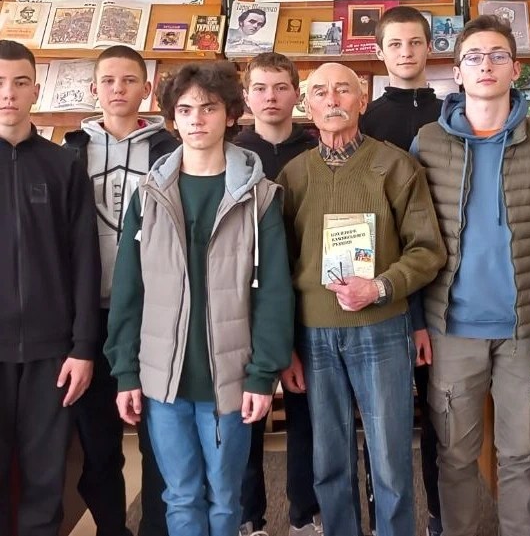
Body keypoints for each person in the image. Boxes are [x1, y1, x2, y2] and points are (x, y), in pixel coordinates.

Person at [104, 62, 294, 536]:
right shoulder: (148, 195)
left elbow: (274, 293)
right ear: (172, 118)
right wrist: (125, 371)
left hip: (230, 378)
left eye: (208, 108)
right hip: (163, 378)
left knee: (226, 498)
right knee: (180, 496)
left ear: (230, 114)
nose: (196, 120)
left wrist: (263, 375)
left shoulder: (260, 197)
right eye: (185, 110)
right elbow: (129, 290)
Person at [412, 15, 530, 536]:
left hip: (525, 329)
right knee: (454, 456)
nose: (486, 65)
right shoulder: (427, 142)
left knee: (521, 453)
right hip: (450, 328)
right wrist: (416, 321)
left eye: (497, 56)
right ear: (457, 72)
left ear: (515, 68)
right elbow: (410, 240)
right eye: (474, 57)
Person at [277, 62, 446, 536]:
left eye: (343, 90)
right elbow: (278, 267)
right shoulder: (293, 176)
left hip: (381, 328)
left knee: (390, 458)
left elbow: (427, 250)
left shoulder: (395, 166)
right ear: (307, 105)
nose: (332, 100)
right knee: (329, 460)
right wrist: (285, 345)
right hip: (313, 335)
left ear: (362, 99)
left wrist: (380, 286)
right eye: (320, 92)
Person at [64, 45, 178, 536]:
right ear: (94, 89)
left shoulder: (170, 152)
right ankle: (113, 528)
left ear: (147, 89)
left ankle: (156, 528)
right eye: (108, 81)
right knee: (99, 446)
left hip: (154, 316)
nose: (118, 89)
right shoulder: (69, 153)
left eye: (129, 80)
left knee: (159, 442)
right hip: (87, 320)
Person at [0, 39, 100, 536]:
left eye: (20, 83)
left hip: (52, 352)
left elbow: (85, 262)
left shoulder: (64, 166)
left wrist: (83, 348)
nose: (8, 94)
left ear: (36, 91)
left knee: (45, 477)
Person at [359, 5, 443, 536]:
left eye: (415, 43)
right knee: (381, 416)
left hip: (444, 279)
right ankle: (381, 518)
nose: (406, 53)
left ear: (430, 48)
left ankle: (439, 514)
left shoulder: (452, 112)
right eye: (395, 44)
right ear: (380, 52)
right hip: (384, 283)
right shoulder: (366, 120)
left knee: (439, 413)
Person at [234, 52, 319, 536]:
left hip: (308, 298)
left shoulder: (316, 148)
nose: (271, 97)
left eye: (281, 87)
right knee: (246, 412)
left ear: (296, 94)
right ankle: (250, 518)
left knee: (306, 414)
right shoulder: (231, 155)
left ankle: (305, 515)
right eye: (261, 88)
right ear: (246, 97)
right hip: (246, 302)